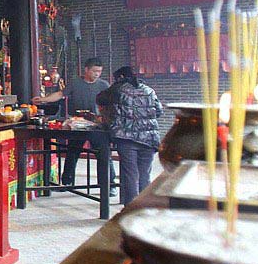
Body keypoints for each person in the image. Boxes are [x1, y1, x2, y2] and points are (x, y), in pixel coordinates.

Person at [32, 58, 114, 191]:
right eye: (94, 71)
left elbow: (111, 103)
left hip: (97, 124)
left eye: (99, 71)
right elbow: (60, 94)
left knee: (103, 154)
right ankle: (67, 182)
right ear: (86, 70)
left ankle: (108, 185)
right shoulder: (75, 83)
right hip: (77, 123)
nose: (97, 74)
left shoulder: (104, 85)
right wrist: (43, 99)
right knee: (72, 152)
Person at [98, 66, 163, 205]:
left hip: (126, 138)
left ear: (120, 77)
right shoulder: (149, 91)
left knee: (130, 174)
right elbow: (158, 111)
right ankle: (144, 206)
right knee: (144, 174)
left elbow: (100, 99)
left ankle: (131, 207)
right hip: (149, 138)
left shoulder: (117, 89)